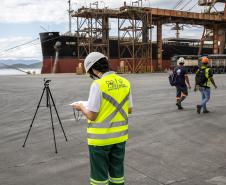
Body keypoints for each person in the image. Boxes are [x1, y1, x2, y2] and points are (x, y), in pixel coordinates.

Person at [73, 52, 133, 185]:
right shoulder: (125, 82)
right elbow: (129, 109)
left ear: (93, 69)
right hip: (120, 138)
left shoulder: (98, 84)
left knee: (99, 178)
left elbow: (92, 115)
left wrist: (81, 107)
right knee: (117, 176)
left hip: (100, 141)